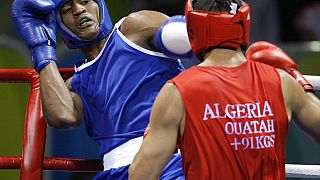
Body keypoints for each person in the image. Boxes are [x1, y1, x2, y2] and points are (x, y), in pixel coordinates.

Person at [129, 0, 320, 179]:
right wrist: (300, 82)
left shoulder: (176, 93)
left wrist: (153, 134)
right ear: (244, 24)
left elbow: (140, 175)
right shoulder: (282, 82)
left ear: (193, 30)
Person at [11, 0, 193, 179]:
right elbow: (62, 118)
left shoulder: (133, 28)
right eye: (66, 10)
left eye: (85, 1)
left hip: (169, 163)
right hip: (113, 173)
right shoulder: (77, 83)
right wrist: (42, 50)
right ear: (59, 25)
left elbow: (196, 36)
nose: (79, 10)